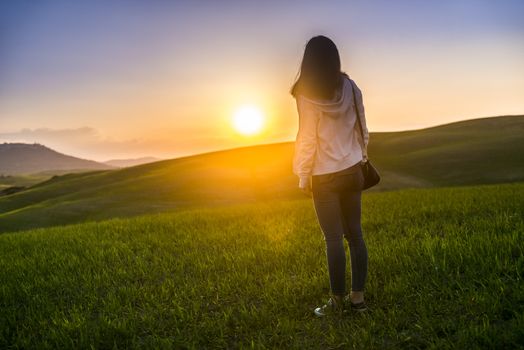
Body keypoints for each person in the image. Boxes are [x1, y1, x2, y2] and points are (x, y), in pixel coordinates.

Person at [291, 35, 369, 317]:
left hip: (325, 177)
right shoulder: (351, 86)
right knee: (356, 235)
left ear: (308, 62)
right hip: (353, 171)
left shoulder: (306, 94)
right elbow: (363, 127)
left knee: (333, 240)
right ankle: (358, 300)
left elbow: (307, 139)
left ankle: (336, 304)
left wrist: (302, 174)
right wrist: (360, 156)